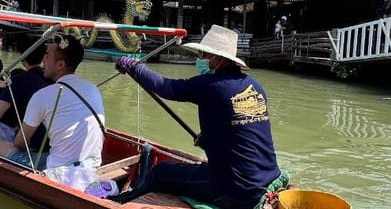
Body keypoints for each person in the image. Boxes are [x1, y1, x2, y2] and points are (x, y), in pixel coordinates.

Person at [112, 25, 281, 208]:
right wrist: (208, 139)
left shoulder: (211, 85)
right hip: (267, 177)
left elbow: (165, 87)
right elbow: (239, 130)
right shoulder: (256, 86)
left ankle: (126, 201)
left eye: (204, 56)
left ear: (218, 59)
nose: (202, 60)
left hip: (236, 189)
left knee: (160, 172)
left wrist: (135, 67)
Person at [0, 35, 104, 171]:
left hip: (58, 169)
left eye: (47, 56)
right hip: (91, 165)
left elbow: (20, 143)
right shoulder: (92, 88)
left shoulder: (43, 95)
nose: (43, 60)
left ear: (60, 65)